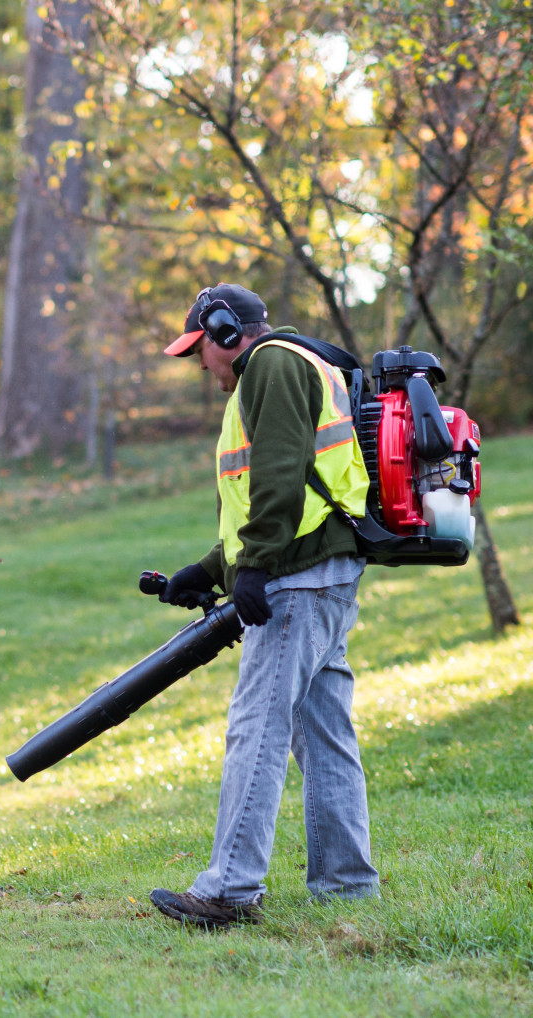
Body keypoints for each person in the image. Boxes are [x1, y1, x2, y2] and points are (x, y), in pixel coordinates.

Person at [148, 284, 380, 929]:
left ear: (227, 333)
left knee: (258, 728)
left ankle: (230, 891)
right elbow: (282, 491)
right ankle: (347, 886)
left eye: (199, 349)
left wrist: (253, 565)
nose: (199, 364)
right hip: (321, 571)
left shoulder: (272, 365)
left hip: (298, 580)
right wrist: (210, 571)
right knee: (325, 735)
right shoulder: (293, 365)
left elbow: (280, 472)